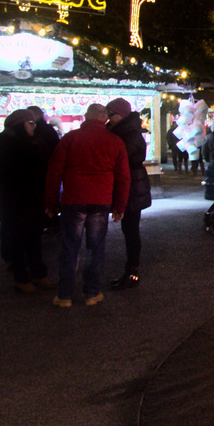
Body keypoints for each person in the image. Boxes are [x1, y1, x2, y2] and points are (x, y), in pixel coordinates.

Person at [44, 103, 130, 307]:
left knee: (69, 247)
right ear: (105, 119)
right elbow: (123, 176)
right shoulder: (114, 141)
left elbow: (54, 171)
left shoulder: (70, 139)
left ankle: (64, 295)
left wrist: (51, 201)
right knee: (96, 247)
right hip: (101, 200)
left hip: (73, 198)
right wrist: (120, 205)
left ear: (85, 117)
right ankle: (92, 293)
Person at [0, 110, 51, 292]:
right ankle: (21, 277)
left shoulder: (33, 141)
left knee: (34, 237)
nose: (34, 127)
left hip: (33, 195)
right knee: (19, 237)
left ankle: (38, 274)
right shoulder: (3, 142)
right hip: (15, 196)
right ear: (20, 124)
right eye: (31, 123)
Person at [106, 98, 152, 289]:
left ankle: (132, 272)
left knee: (131, 230)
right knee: (130, 229)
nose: (109, 119)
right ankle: (131, 271)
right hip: (131, 184)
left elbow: (124, 159)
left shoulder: (128, 133)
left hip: (132, 187)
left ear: (121, 114)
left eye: (111, 115)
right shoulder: (123, 131)